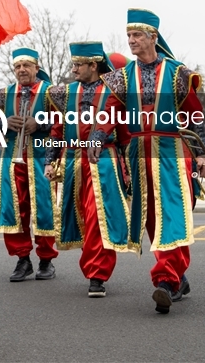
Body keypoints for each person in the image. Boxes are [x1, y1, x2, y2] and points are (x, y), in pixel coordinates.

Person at [93, 9, 205, 315]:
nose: (131, 40)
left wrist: (200, 154)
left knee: (173, 213)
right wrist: (96, 137)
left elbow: (194, 115)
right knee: (150, 218)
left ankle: (166, 281)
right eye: (129, 35)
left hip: (172, 152)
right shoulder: (120, 78)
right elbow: (107, 114)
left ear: (153, 38)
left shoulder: (178, 73)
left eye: (137, 35)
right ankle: (178, 276)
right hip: (138, 154)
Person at [45, 41, 134, 298]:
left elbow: (125, 135)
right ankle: (93, 268)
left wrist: (129, 168)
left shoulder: (114, 93)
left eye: (78, 64)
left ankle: (97, 274)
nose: (73, 69)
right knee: (81, 217)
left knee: (98, 219)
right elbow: (55, 132)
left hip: (103, 160)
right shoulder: (65, 94)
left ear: (93, 65)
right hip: (73, 160)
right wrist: (50, 162)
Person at [0, 48, 58, 282]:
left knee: (44, 207)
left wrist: (39, 123)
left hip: (42, 160)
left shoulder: (51, 92)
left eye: (26, 66)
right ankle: (23, 260)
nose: (21, 70)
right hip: (12, 161)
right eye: (18, 67)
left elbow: (64, 121)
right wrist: (3, 123)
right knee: (13, 209)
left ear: (36, 68)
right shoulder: (2, 95)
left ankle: (46, 260)